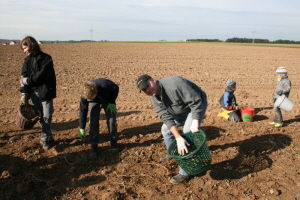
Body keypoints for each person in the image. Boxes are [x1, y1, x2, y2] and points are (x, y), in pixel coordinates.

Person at [137, 74, 208, 184]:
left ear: (153, 80)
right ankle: (174, 151)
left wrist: (195, 121)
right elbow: (166, 118)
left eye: (148, 86)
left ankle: (185, 172)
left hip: (195, 105)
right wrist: (178, 138)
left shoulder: (175, 84)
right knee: (166, 130)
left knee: (187, 133)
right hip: (178, 110)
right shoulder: (154, 99)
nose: (148, 90)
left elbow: (196, 102)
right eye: (144, 90)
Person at [19, 36, 56, 150]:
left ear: (32, 45)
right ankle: (46, 137)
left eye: (25, 48)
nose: (24, 51)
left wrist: (28, 80)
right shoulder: (27, 61)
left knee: (47, 115)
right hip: (33, 93)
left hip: (46, 92)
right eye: (23, 49)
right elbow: (23, 77)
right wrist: (24, 93)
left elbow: (42, 75)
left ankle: (45, 137)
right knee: (40, 116)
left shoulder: (46, 59)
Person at [79, 78, 119, 158]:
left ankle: (113, 142)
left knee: (112, 121)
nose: (88, 100)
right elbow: (83, 111)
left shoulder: (105, 85)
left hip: (107, 99)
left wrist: (111, 101)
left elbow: (116, 88)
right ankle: (94, 146)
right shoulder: (84, 96)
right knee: (93, 122)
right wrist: (81, 127)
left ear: (96, 92)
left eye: (90, 98)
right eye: (88, 99)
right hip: (95, 102)